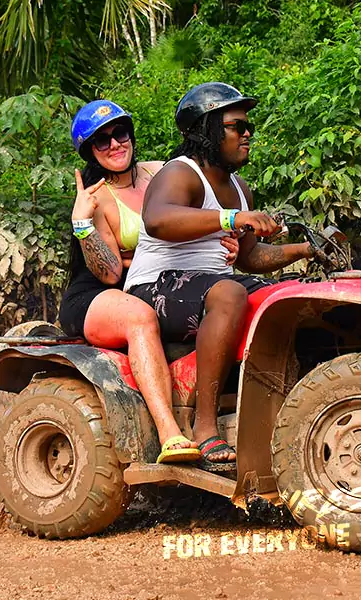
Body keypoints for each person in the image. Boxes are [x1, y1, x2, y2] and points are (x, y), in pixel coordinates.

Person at [124, 82, 316, 467]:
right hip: (156, 285)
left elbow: (250, 257)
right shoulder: (181, 173)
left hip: (213, 284)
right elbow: (158, 220)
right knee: (229, 294)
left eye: (249, 127)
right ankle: (204, 426)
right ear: (207, 130)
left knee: (291, 296)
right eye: (237, 126)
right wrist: (231, 218)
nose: (247, 134)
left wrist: (308, 251)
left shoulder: (239, 187)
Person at [58, 100, 240, 464]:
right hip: (101, 294)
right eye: (102, 141)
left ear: (131, 134)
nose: (114, 144)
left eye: (119, 133)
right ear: (90, 152)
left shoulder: (161, 174)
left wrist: (227, 245)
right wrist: (82, 224)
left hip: (165, 281)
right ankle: (168, 432)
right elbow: (109, 272)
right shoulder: (97, 200)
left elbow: (196, 222)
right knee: (140, 316)